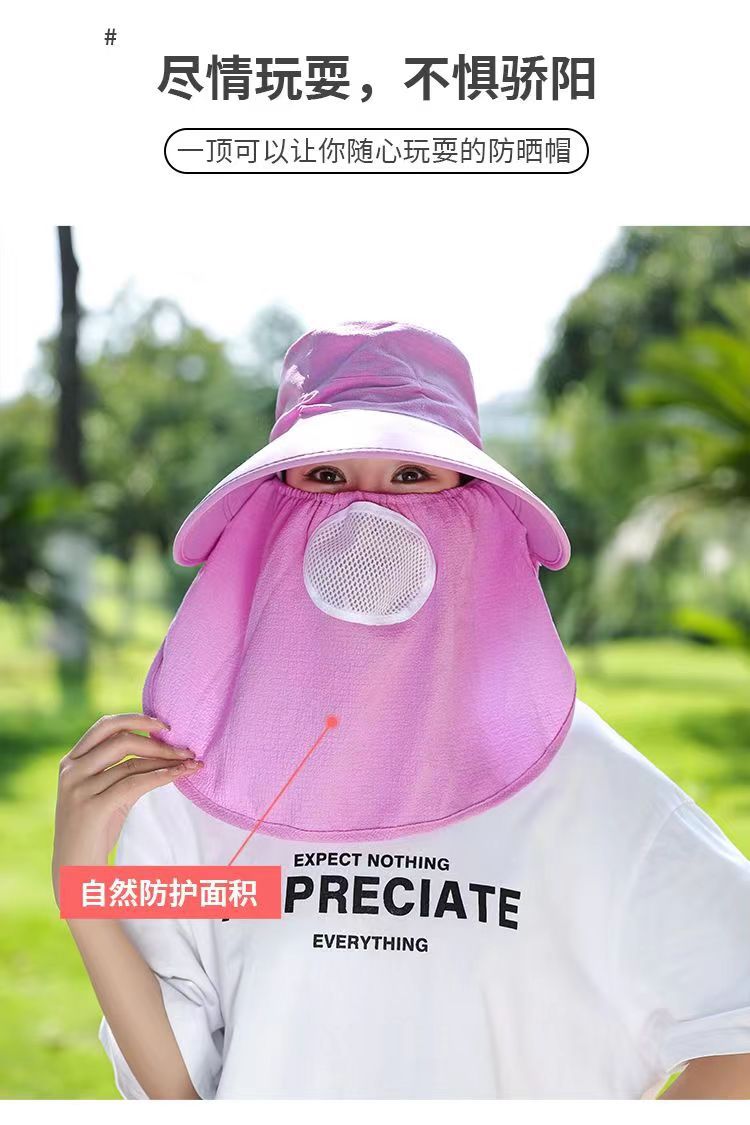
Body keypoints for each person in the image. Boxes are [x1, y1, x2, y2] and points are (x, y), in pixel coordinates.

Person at [53, 321, 750, 1100]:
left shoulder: (590, 788)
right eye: (325, 474)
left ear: (478, 503)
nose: (367, 513)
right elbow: (183, 1094)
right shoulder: (197, 782)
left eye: (412, 473)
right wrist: (82, 888)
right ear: (272, 504)